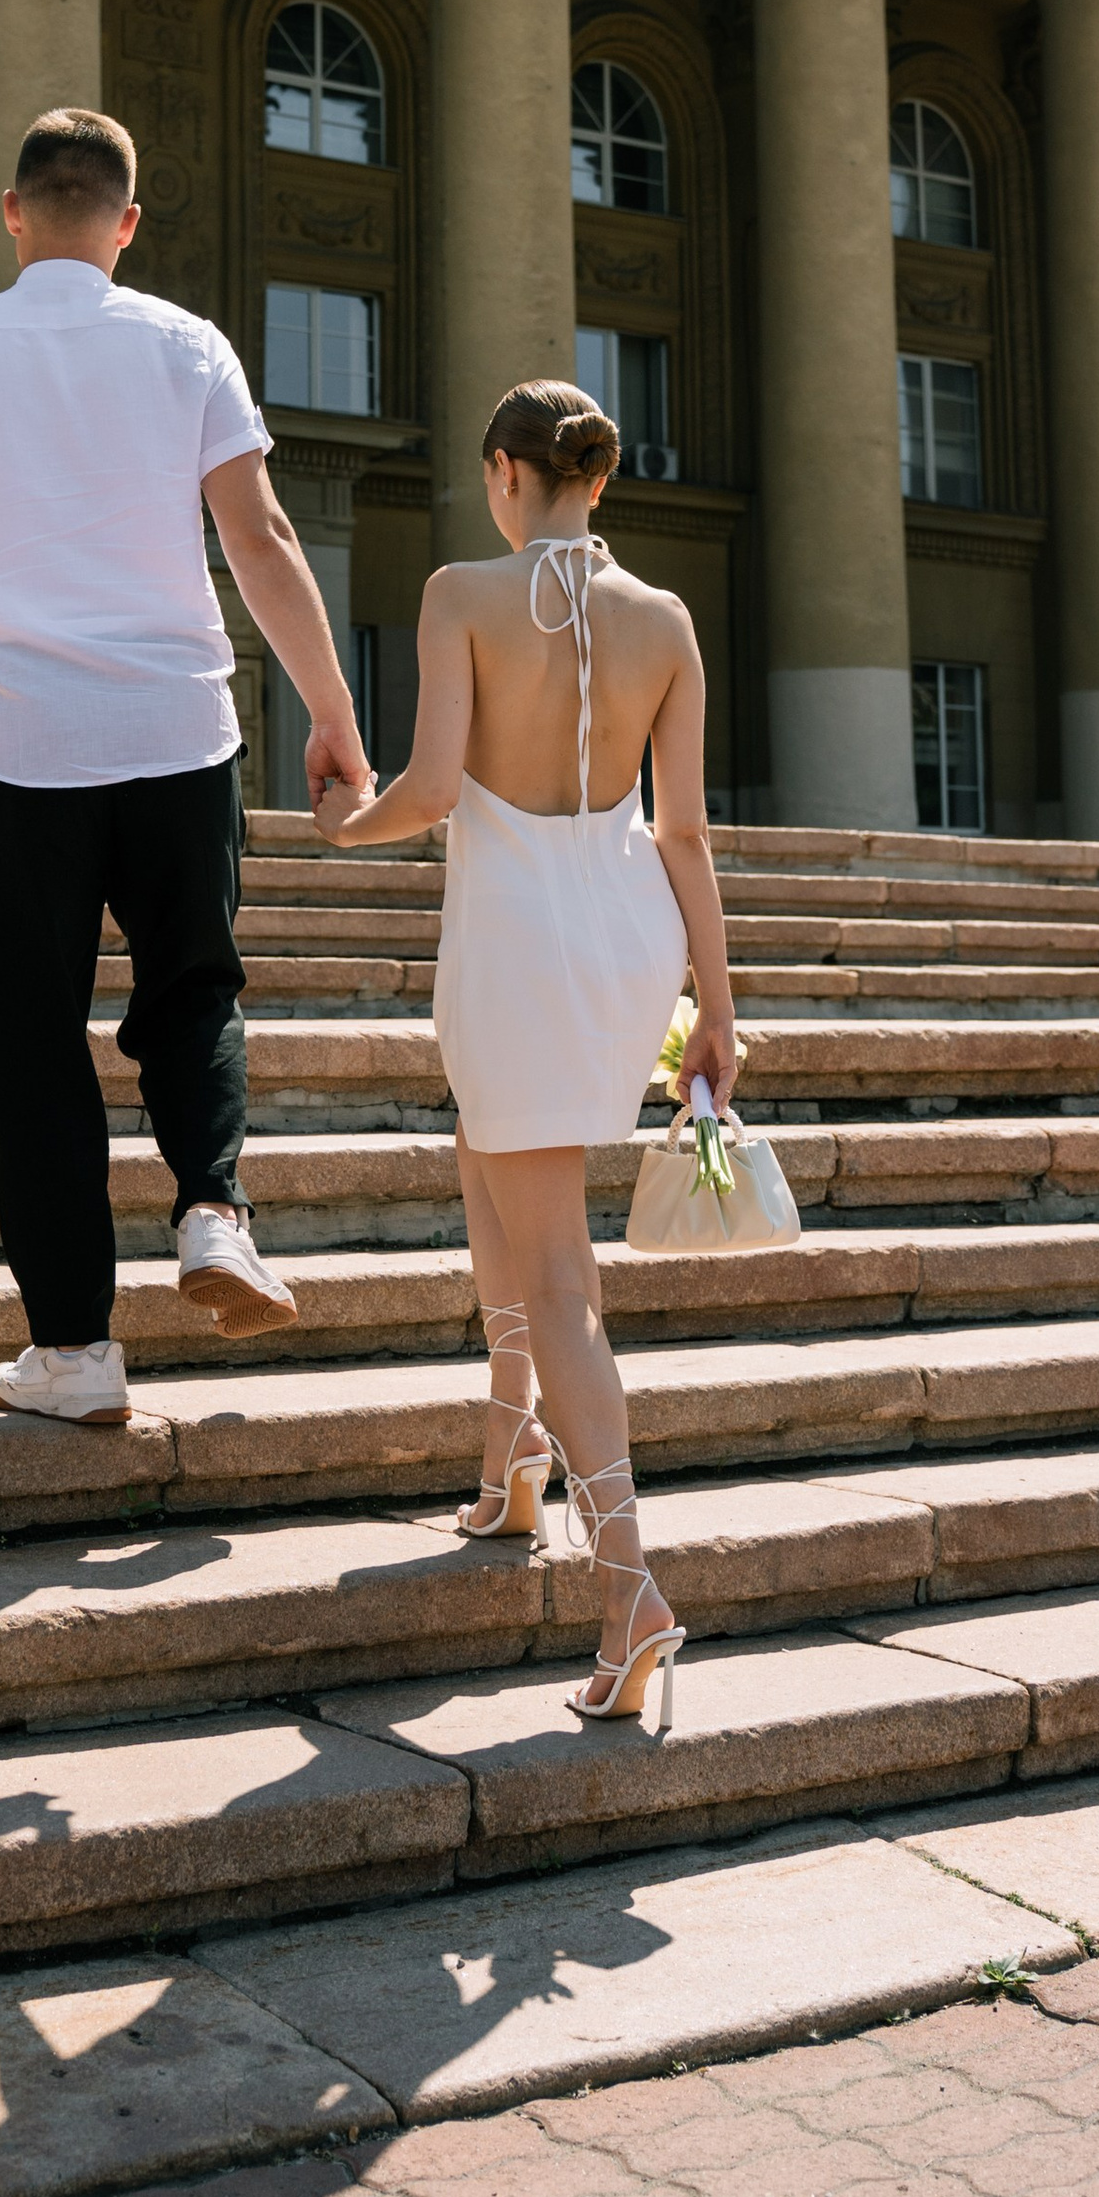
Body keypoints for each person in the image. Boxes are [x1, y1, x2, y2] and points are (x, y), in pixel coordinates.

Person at [0, 106, 375, 1425]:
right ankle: (213, 1208)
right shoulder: (188, 345)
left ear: (12, 213)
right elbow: (260, 537)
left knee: (34, 1048)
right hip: (177, 736)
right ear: (127, 224)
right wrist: (331, 711)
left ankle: (75, 1356)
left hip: (17, 754)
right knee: (193, 992)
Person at [319, 379, 737, 1727]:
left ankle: (628, 1586)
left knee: (559, 1270)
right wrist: (719, 1007)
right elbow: (685, 833)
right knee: (488, 1152)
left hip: (515, 939)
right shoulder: (666, 619)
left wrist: (343, 822)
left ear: (505, 471)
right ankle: (512, 1459)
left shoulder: (460, 594)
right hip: (627, 939)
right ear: (597, 479)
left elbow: (434, 789)